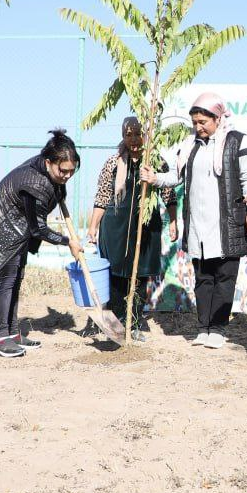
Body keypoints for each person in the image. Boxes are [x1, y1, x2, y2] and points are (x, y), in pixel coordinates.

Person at [142, 92, 247, 349]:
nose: (198, 127)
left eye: (203, 122)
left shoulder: (238, 141)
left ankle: (218, 328)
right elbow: (176, 175)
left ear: (218, 118)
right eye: (195, 122)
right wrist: (155, 179)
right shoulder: (190, 145)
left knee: (224, 277)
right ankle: (203, 328)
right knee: (203, 279)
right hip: (198, 224)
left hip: (228, 224)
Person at [0, 130, 83, 358]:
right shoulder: (34, 181)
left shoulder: (46, 173)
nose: (66, 175)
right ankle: (1, 339)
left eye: (71, 172)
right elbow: (38, 229)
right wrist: (68, 242)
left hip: (17, 231)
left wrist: (59, 188)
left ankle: (13, 333)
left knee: (15, 279)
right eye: (62, 171)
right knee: (5, 281)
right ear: (48, 162)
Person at [88, 117, 179, 332]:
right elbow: (102, 197)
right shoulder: (113, 163)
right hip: (115, 227)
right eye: (128, 135)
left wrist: (174, 221)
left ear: (145, 135)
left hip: (146, 228)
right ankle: (118, 322)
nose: (134, 139)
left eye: (138, 133)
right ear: (123, 136)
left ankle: (136, 321)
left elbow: (169, 195)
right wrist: (93, 226)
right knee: (117, 276)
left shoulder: (155, 163)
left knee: (141, 274)